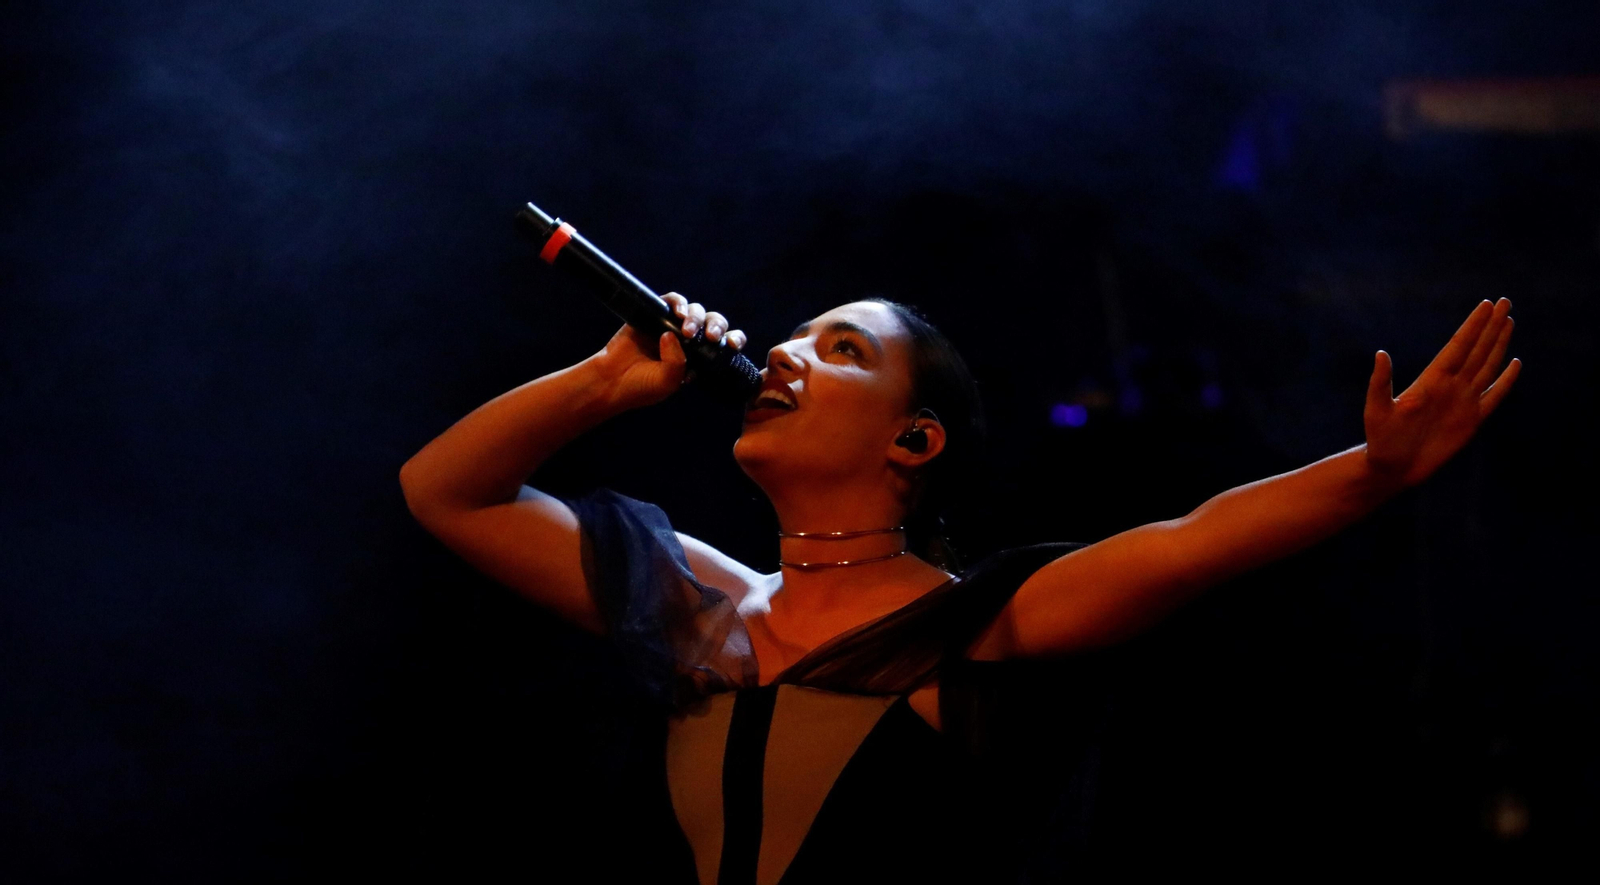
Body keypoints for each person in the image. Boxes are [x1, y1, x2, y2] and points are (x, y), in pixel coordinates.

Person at [398, 293, 1519, 883]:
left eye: (838, 350)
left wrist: (1375, 473)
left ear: (914, 437)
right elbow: (446, 491)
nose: (784, 356)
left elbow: (1193, 538)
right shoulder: (700, 601)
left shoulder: (977, 627)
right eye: (789, 337)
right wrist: (601, 384)